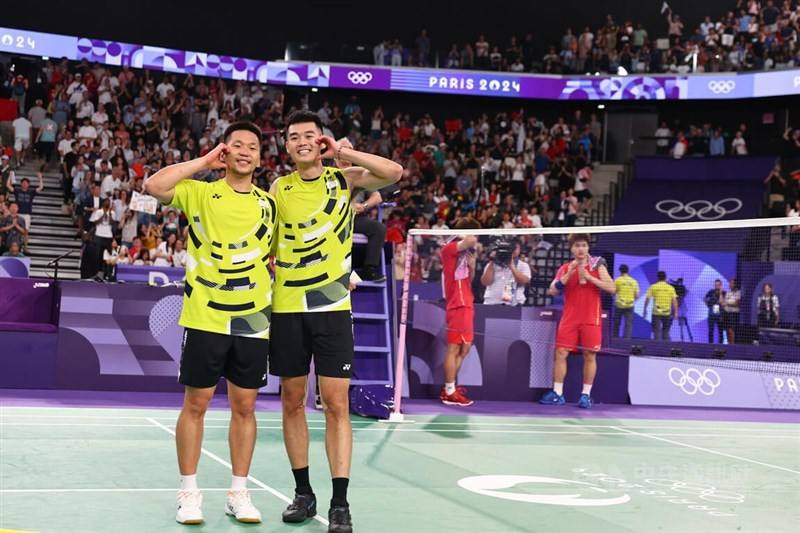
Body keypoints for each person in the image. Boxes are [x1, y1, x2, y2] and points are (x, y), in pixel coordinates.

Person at [268, 110, 402, 533]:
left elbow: (394, 173)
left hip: (331, 309)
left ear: (321, 141)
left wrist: (344, 151)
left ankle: (339, 503)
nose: (301, 141)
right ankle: (303, 493)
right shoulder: (278, 187)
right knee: (292, 401)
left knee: (336, 403)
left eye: (309, 135)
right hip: (288, 307)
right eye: (294, 136)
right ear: (286, 146)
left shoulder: (343, 179)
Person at [144, 121, 277, 525]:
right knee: (196, 404)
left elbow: (277, 254)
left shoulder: (269, 205)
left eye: (252, 146)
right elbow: (154, 186)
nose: (245, 151)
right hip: (205, 315)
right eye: (237, 144)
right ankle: (189, 492)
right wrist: (203, 162)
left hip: (253, 319)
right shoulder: (200, 192)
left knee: (246, 406)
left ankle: (238, 492)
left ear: (259, 157)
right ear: (225, 151)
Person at [541, 234, 616, 409]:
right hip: (570, 318)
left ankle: (585, 395)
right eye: (577, 246)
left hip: (591, 318)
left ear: (588, 248)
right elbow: (552, 291)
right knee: (560, 353)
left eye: (583, 245)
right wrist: (568, 274)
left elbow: (612, 288)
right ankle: (557, 394)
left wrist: (590, 277)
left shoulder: (598, 265)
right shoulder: (565, 268)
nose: (580, 249)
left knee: (589, 355)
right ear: (571, 249)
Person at [440, 217, 481, 407]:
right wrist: (468, 235)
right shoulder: (449, 249)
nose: (477, 238)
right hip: (457, 304)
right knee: (454, 348)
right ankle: (449, 391)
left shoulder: (465, 254)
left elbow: (469, 280)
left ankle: (450, 388)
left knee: (465, 349)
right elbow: (471, 240)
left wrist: (472, 267)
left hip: (467, 302)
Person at [480, 239, 531, 306]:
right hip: (491, 302)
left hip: (514, 304)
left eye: (515, 248)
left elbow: (524, 281)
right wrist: (492, 260)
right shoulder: (491, 264)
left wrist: (512, 266)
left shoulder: (523, 265)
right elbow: (485, 282)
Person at [643, 271, 678, 341]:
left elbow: (647, 299)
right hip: (667, 313)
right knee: (666, 332)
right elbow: (674, 301)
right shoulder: (670, 288)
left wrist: (645, 310)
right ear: (665, 277)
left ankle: (657, 347)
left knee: (656, 332)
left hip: (656, 313)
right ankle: (667, 346)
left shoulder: (653, 287)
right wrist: (676, 313)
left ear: (658, 277)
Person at [613, 264, 639, 339]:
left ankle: (615, 339)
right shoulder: (634, 281)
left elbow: (613, 292)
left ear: (620, 271)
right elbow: (637, 295)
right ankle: (627, 340)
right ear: (628, 271)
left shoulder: (617, 280)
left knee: (616, 323)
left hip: (619, 305)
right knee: (629, 324)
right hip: (630, 306)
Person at [722, 278, 742, 343]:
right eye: (729, 283)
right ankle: (728, 344)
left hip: (733, 314)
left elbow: (736, 303)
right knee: (727, 330)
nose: (730, 284)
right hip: (726, 313)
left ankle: (732, 345)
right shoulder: (728, 292)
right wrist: (727, 303)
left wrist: (727, 303)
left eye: (731, 283)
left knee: (731, 330)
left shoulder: (738, 292)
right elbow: (724, 303)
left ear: (735, 284)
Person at [704, 279, 724, 343]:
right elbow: (705, 298)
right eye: (715, 285)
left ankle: (721, 345)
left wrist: (720, 293)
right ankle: (710, 344)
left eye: (718, 285)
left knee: (720, 331)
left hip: (719, 314)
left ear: (721, 285)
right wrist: (707, 305)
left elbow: (721, 302)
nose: (716, 286)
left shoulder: (723, 293)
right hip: (711, 314)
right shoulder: (711, 292)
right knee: (710, 331)